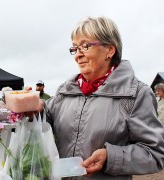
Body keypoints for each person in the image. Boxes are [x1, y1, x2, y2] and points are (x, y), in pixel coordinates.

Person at [40, 16, 164, 179]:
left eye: (85, 46)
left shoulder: (136, 94)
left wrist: (110, 157)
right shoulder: (66, 91)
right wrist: (34, 108)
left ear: (110, 50)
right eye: (75, 48)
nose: (78, 55)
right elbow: (45, 119)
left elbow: (155, 153)